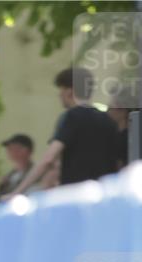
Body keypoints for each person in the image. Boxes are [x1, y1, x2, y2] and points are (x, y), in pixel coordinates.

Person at [9, 68, 120, 196]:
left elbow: (49, 159)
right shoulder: (108, 120)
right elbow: (117, 162)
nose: (59, 95)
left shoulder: (71, 117)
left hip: (75, 196)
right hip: (104, 196)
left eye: (61, 90)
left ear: (69, 91)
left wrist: (17, 192)